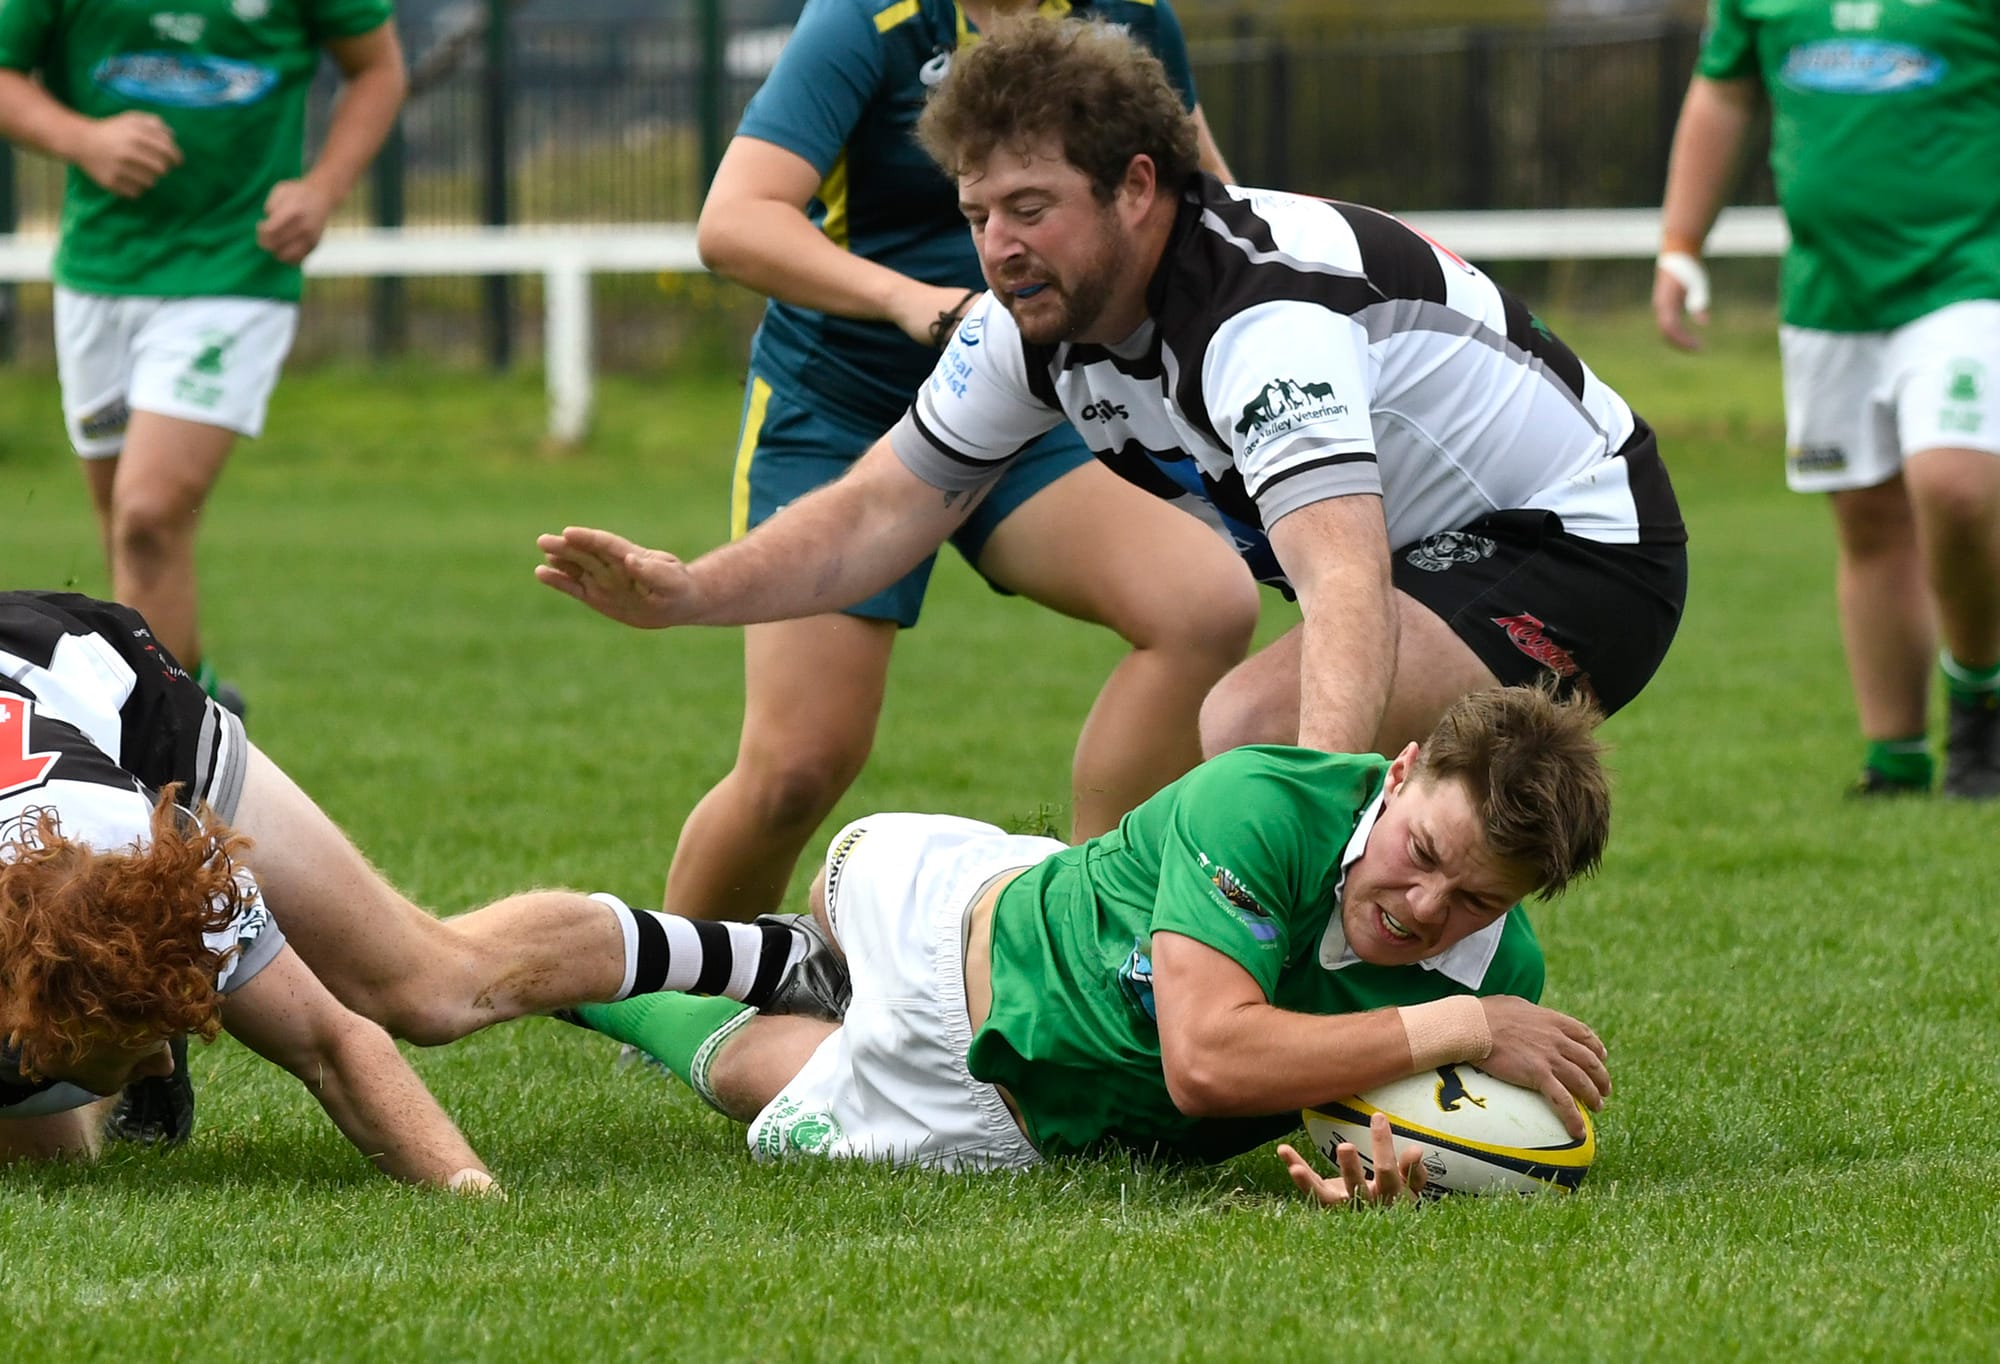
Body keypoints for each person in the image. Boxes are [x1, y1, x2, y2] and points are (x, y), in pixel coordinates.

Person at [538, 16, 1687, 778]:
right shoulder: (1030, 317)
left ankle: (1358, 1034)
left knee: (1254, 736)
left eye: (1029, 207)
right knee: (1288, 774)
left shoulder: (1257, 324)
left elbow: (1342, 583)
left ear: (1139, 186)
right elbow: (880, 513)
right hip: (1432, 551)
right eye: (976, 212)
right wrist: (689, 592)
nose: (997, 247)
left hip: (1585, 545)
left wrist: (1296, 821)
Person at [563, 684, 1613, 1209]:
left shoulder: (1498, 977)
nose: (1428, 907)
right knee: (818, 951)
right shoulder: (1264, 799)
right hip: (950, 917)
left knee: (749, 1067)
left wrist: (1391, 1171)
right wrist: (1459, 1022)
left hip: (1017, 1113)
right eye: (1422, 851)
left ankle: (609, 989)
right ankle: (659, 956)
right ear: (1399, 771)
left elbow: (1365, 1096)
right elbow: (1206, 1062)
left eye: (1476, 900)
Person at [660, 0, 1256, 923]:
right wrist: (911, 302)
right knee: (798, 766)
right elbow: (733, 223)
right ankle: (672, 999)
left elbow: (1207, 206)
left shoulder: (1130, 17)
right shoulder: (868, 23)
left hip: (1031, 396)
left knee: (1202, 607)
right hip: (839, 407)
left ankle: (1090, 931)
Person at [0, 591, 846, 1174]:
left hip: (92, 686)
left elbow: (337, 1046)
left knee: (424, 986)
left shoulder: (170, 862)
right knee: (49, 1157)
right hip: (45, 803)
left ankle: (771, 955)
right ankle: (130, 1023)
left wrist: (475, 1204)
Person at [0, 0, 408, 715]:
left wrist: (322, 189)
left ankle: (163, 782)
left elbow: (376, 67)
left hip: (236, 271)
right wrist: (84, 139)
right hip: (101, 275)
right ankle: (204, 703)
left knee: (148, 515)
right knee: (128, 539)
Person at [1652, 0, 2000, 799]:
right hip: (1828, 292)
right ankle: (1897, 758)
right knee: (1868, 517)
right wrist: (1680, 245)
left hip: (1970, 276)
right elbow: (1723, 92)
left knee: (1955, 487)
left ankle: (1980, 697)